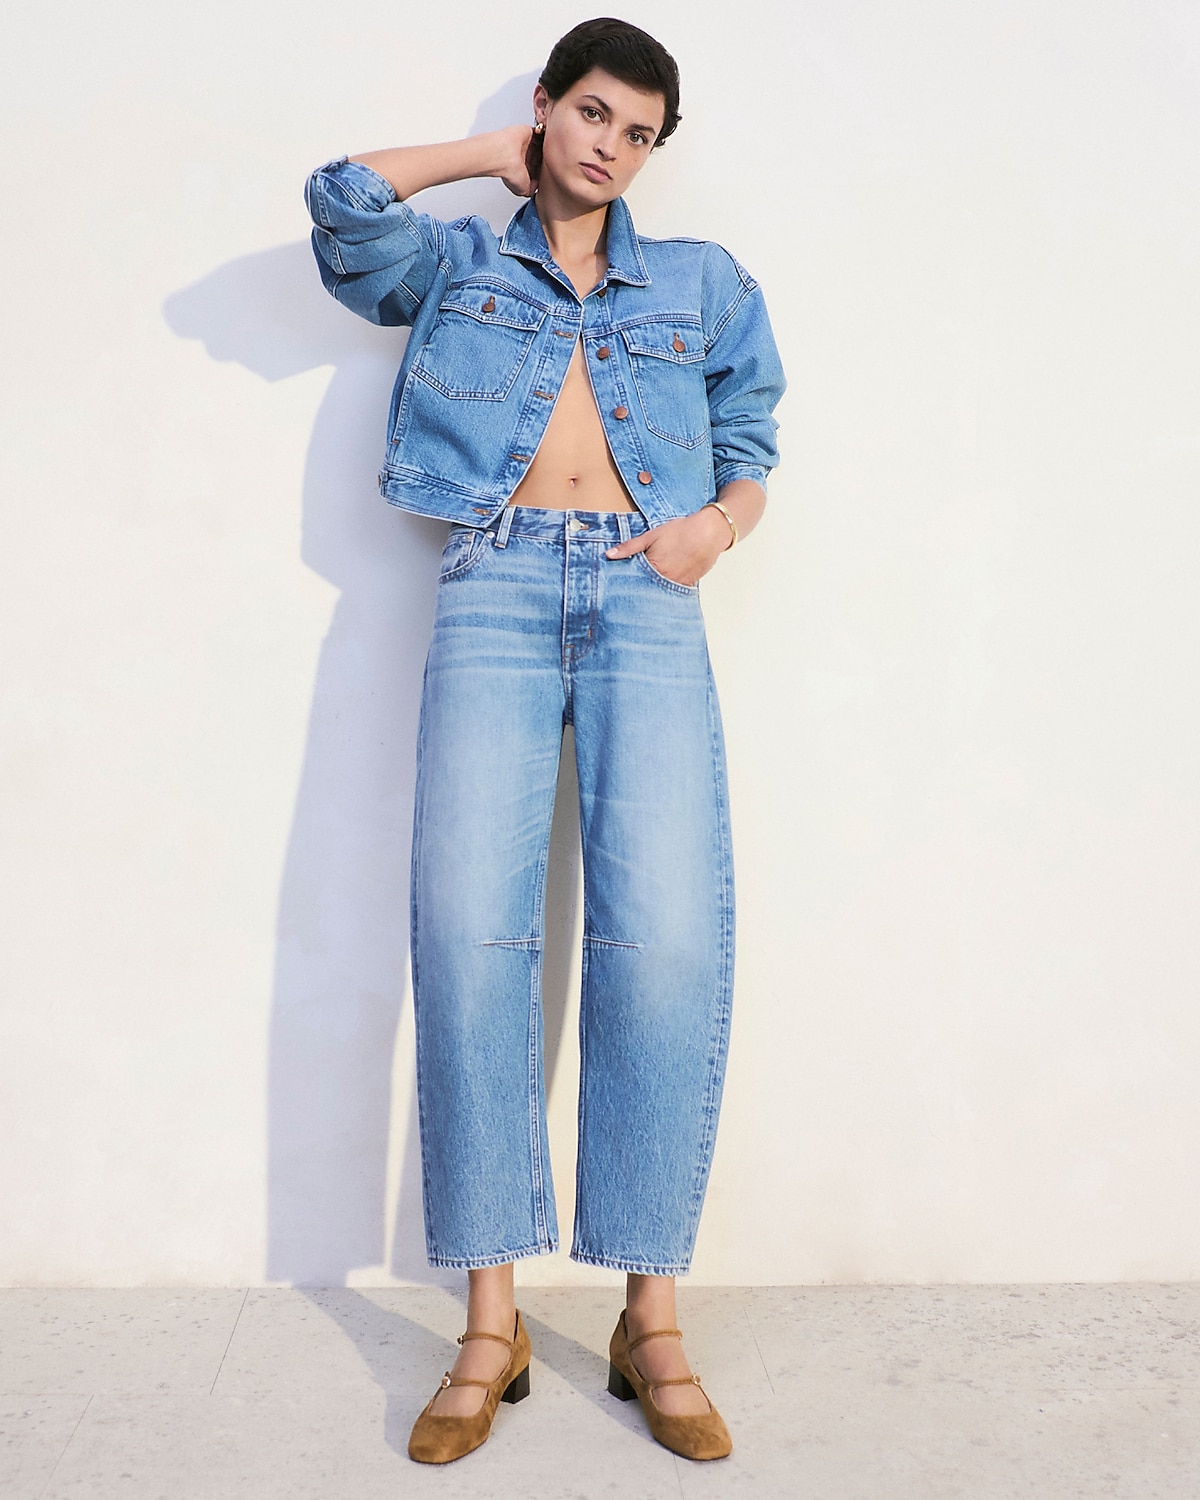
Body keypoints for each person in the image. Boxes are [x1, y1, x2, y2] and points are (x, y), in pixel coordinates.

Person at [304, 15, 785, 1466]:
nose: (607, 146)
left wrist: (711, 529)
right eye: (587, 113)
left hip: (648, 595)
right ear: (546, 110)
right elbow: (338, 205)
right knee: (468, 931)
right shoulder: (457, 261)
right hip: (497, 588)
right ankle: (489, 1320)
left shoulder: (701, 282)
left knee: (666, 942)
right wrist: (482, 162)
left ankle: (652, 1319)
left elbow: (753, 431)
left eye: (635, 132)